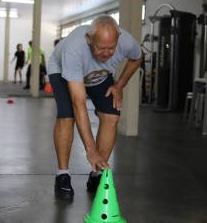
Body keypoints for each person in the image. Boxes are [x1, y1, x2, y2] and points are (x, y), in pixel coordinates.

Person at [47, 15, 142, 201]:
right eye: (101, 48)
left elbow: (138, 57)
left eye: (111, 48)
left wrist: (120, 85)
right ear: (90, 39)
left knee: (111, 116)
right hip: (62, 71)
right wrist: (91, 151)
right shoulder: (74, 48)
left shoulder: (126, 41)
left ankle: (97, 175)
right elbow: (79, 103)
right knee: (67, 116)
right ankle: (62, 175)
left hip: (98, 75)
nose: (107, 54)